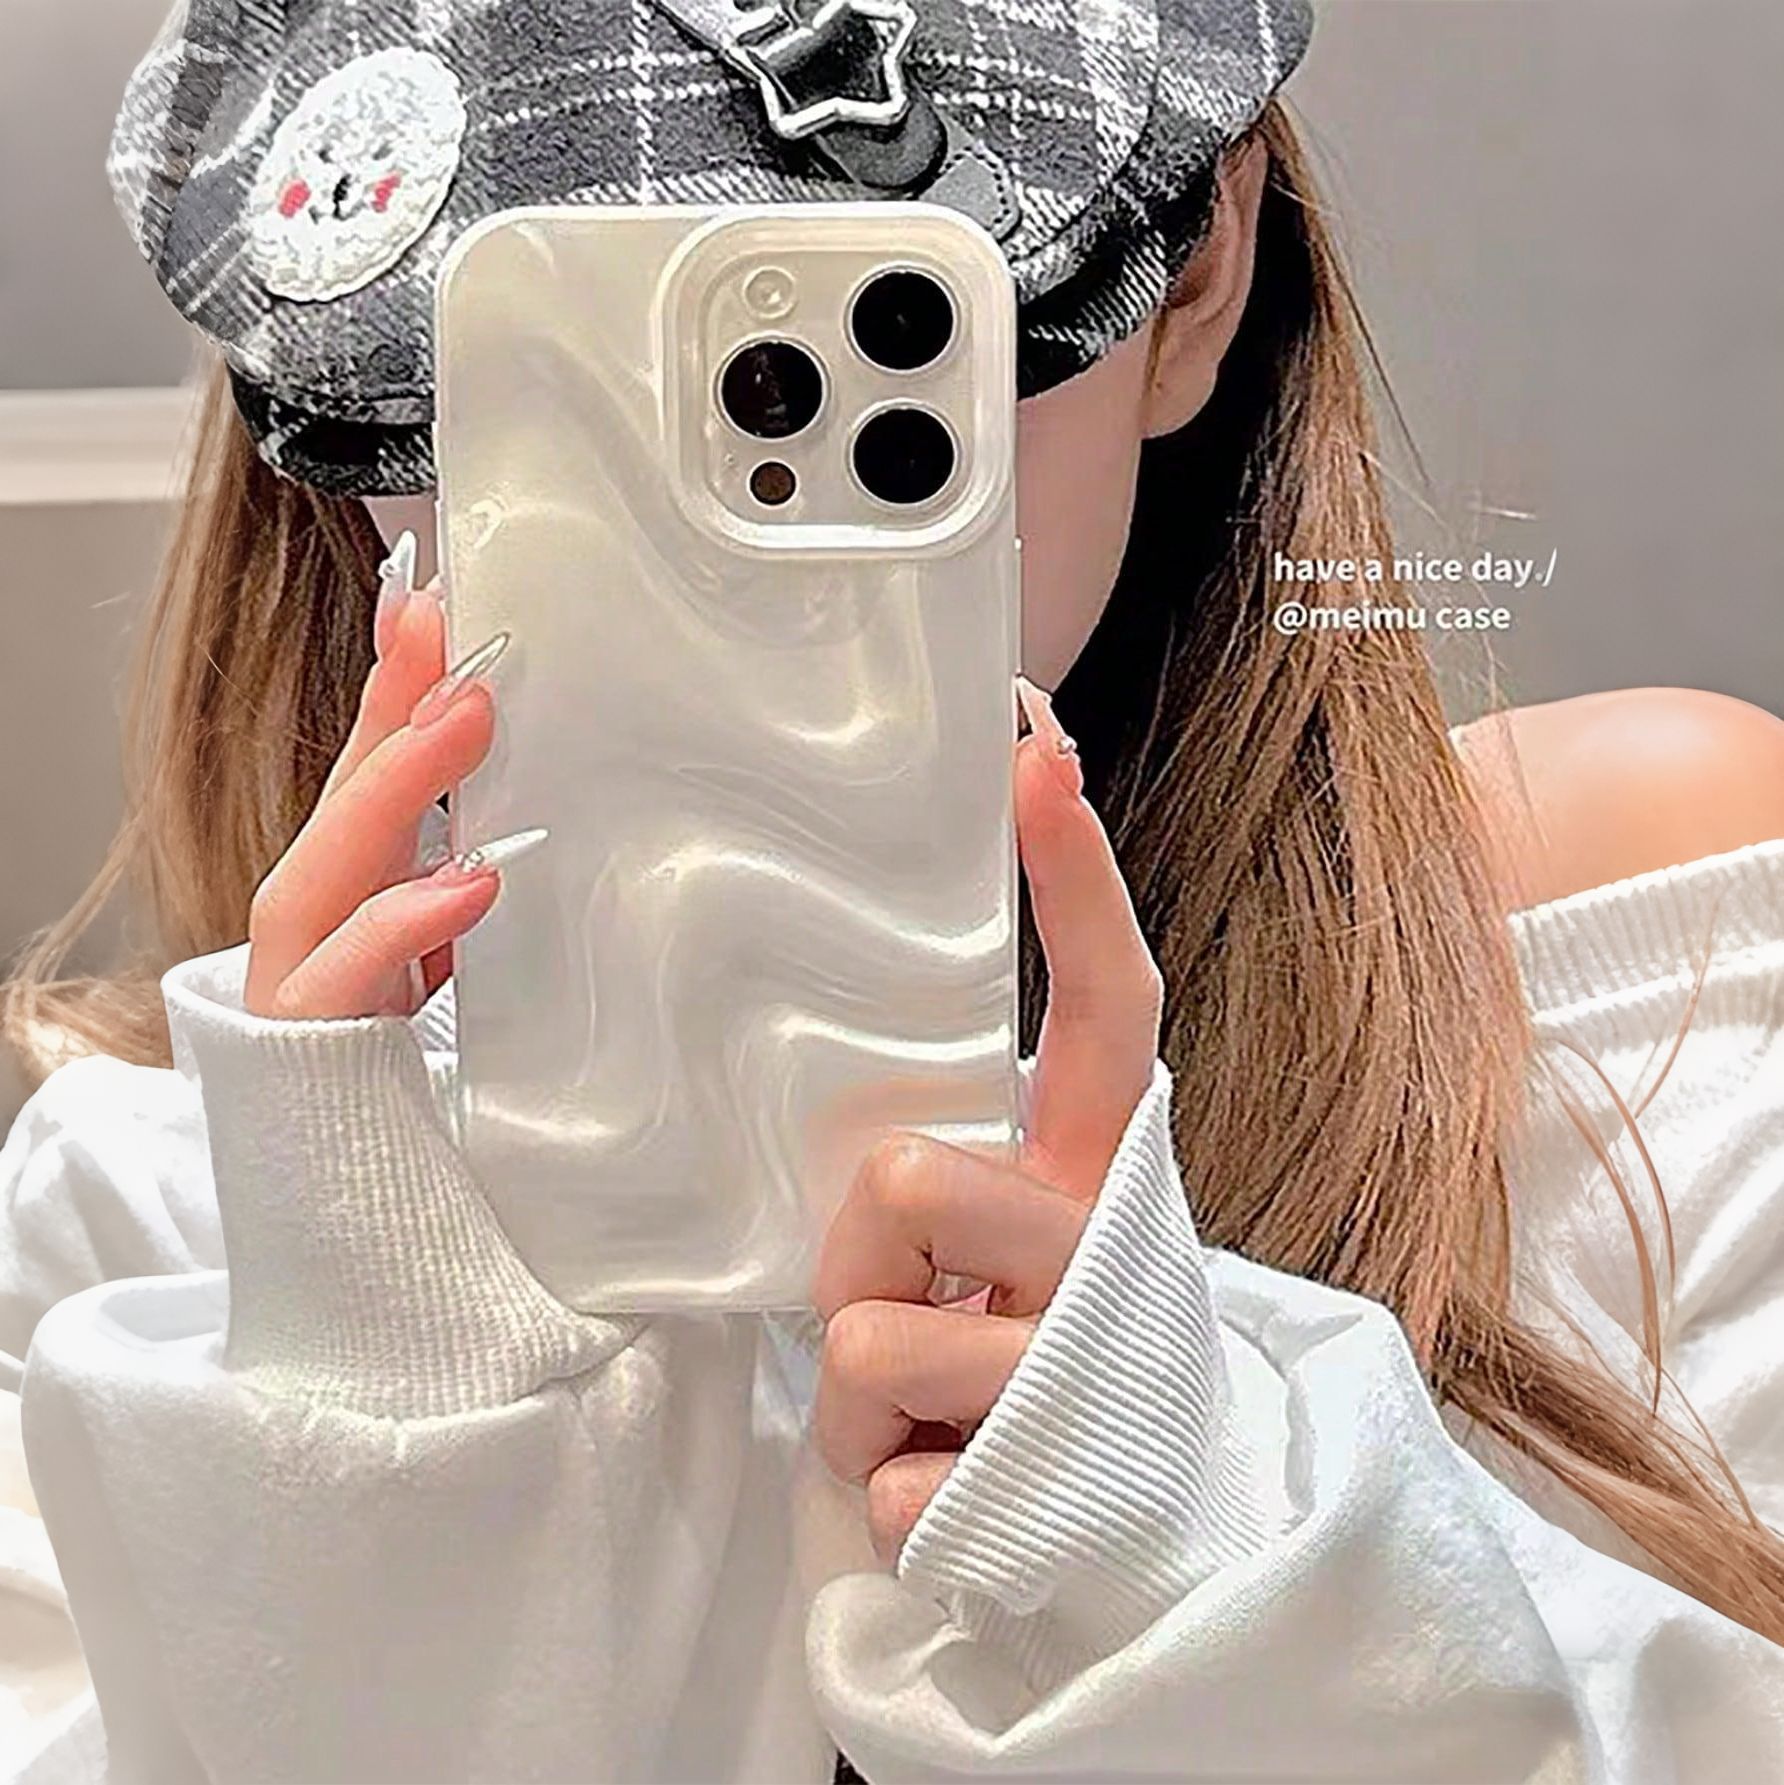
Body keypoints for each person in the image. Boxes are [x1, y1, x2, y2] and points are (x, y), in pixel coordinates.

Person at [4, 0, 1784, 1778]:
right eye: (535, 361)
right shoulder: (166, 1206)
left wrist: (1188, 1552)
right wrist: (375, 1443)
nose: (699, 511)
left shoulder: (1626, 993)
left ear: (1195, 274)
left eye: (847, 342)